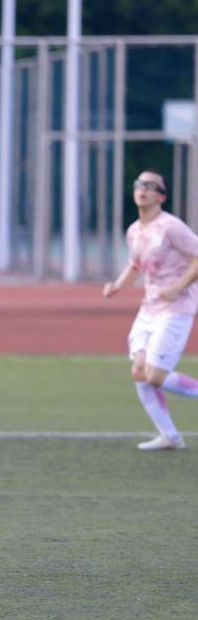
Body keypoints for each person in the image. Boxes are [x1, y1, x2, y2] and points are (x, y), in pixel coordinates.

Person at [103, 170, 198, 450]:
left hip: (176, 307)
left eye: (150, 185)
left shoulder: (171, 227)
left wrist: (178, 287)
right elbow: (135, 265)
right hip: (149, 309)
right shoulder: (134, 230)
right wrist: (117, 285)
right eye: (139, 184)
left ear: (161, 196)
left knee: (155, 374)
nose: (142, 189)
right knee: (139, 370)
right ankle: (170, 436)